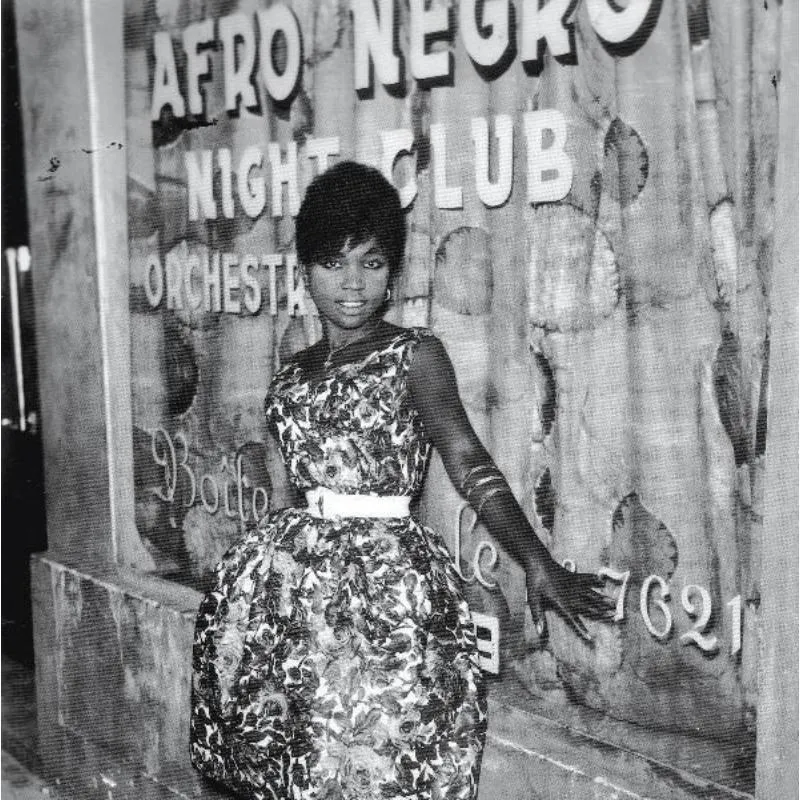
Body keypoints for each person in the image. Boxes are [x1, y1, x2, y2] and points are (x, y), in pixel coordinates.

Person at [190, 161, 614, 799]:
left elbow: (470, 464)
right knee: (287, 762)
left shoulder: (415, 355)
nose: (352, 283)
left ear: (392, 272)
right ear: (305, 271)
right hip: (292, 593)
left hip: (386, 592)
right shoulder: (292, 371)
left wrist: (535, 560)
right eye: (333, 263)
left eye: (371, 262)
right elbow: (291, 493)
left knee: (381, 760)